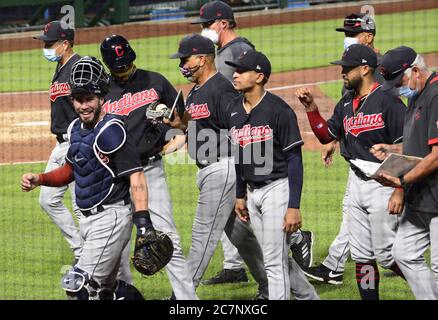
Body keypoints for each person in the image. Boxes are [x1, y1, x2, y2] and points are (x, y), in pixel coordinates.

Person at [21, 56, 148, 299]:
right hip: (89, 223)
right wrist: (41, 178)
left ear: (102, 97)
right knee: (109, 292)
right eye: (78, 100)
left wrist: (143, 223)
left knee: (78, 287)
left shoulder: (112, 130)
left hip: (111, 218)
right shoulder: (75, 129)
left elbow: (137, 176)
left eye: (88, 99)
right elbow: (71, 170)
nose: (83, 106)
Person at [296, 44, 407, 300]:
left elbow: (404, 148)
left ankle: (429, 285)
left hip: (384, 185)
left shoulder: (389, 101)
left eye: (347, 68)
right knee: (362, 256)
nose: (342, 73)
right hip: (357, 184)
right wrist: (311, 109)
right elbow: (326, 135)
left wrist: (399, 189)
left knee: (388, 255)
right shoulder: (346, 102)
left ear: (365, 69)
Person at [169, 34, 269, 299]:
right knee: (242, 237)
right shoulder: (195, 92)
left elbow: (240, 130)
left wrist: (244, 180)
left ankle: (182, 295)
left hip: (223, 168)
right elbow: (200, 130)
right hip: (209, 169)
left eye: (185, 59)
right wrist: (178, 126)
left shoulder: (222, 89)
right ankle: (276, 284)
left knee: (202, 234)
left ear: (202, 59)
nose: (182, 64)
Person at [100, 34, 198, 300]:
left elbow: (184, 120)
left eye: (126, 62)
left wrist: (174, 125)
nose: (123, 68)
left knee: (167, 239)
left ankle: (188, 302)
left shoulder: (155, 81)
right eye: (118, 65)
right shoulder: (101, 90)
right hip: (114, 177)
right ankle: (122, 294)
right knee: (113, 244)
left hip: (150, 171)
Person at [305, 12, 394, 285]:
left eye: (351, 34)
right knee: (354, 222)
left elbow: (389, 121)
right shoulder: (352, 74)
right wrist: (334, 139)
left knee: (388, 252)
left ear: (368, 37)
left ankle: (337, 264)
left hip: (381, 170)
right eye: (344, 34)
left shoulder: (382, 74)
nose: (346, 39)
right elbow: (351, 115)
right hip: (357, 162)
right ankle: (334, 265)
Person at [225, 50, 320, 300]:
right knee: (275, 257)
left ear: (259, 76)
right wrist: (239, 195)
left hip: (277, 189)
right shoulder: (233, 109)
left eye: (241, 71)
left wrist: (294, 207)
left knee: (273, 263)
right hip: (252, 194)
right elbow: (239, 156)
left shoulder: (279, 110)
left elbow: (295, 160)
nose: (235, 74)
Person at [371, 46, 438, 300]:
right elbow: (420, 143)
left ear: (416, 71)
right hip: (422, 198)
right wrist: (392, 148)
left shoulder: (436, 95)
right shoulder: (417, 95)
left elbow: (436, 155)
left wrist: (401, 180)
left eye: (400, 82)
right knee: (403, 253)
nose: (399, 89)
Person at [33, 20, 82, 261]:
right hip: (60, 144)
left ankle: (89, 254)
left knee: (80, 204)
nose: (46, 48)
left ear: (65, 43)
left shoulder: (79, 67)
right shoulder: (61, 67)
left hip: (77, 142)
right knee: (47, 199)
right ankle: (80, 247)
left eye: (50, 44)